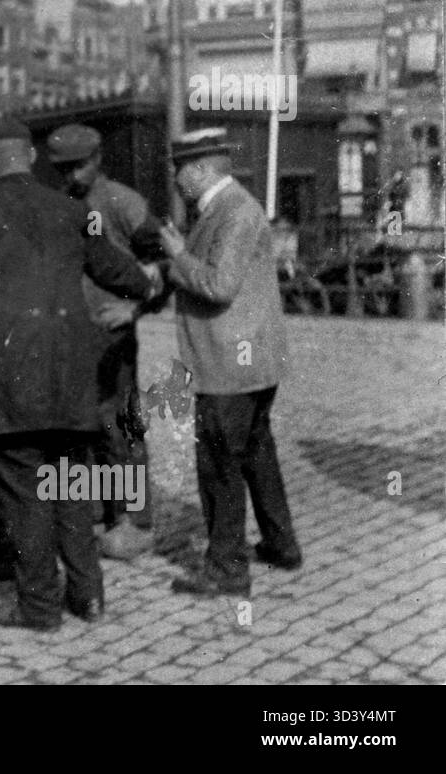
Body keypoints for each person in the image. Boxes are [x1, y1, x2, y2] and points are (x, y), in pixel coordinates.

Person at [0, 121, 159, 631]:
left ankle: (38, 605)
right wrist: (145, 287)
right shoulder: (77, 211)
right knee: (70, 481)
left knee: (22, 489)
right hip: (72, 371)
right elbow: (119, 270)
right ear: (31, 156)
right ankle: (89, 596)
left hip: (5, 373)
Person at [158, 128, 301, 598]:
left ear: (200, 169)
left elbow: (220, 286)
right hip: (252, 362)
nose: (176, 181)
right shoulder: (226, 209)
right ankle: (281, 545)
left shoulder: (236, 211)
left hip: (230, 367)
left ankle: (226, 570)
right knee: (257, 453)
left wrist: (178, 256)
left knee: (219, 464)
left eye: (180, 170)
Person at [47, 123, 165, 560]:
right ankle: (108, 515)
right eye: (63, 169)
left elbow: (165, 261)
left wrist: (138, 307)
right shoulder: (64, 204)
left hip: (114, 338)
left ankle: (137, 523)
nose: (72, 176)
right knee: (92, 429)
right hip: (77, 337)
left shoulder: (122, 200)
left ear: (97, 160)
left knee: (124, 428)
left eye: (79, 166)